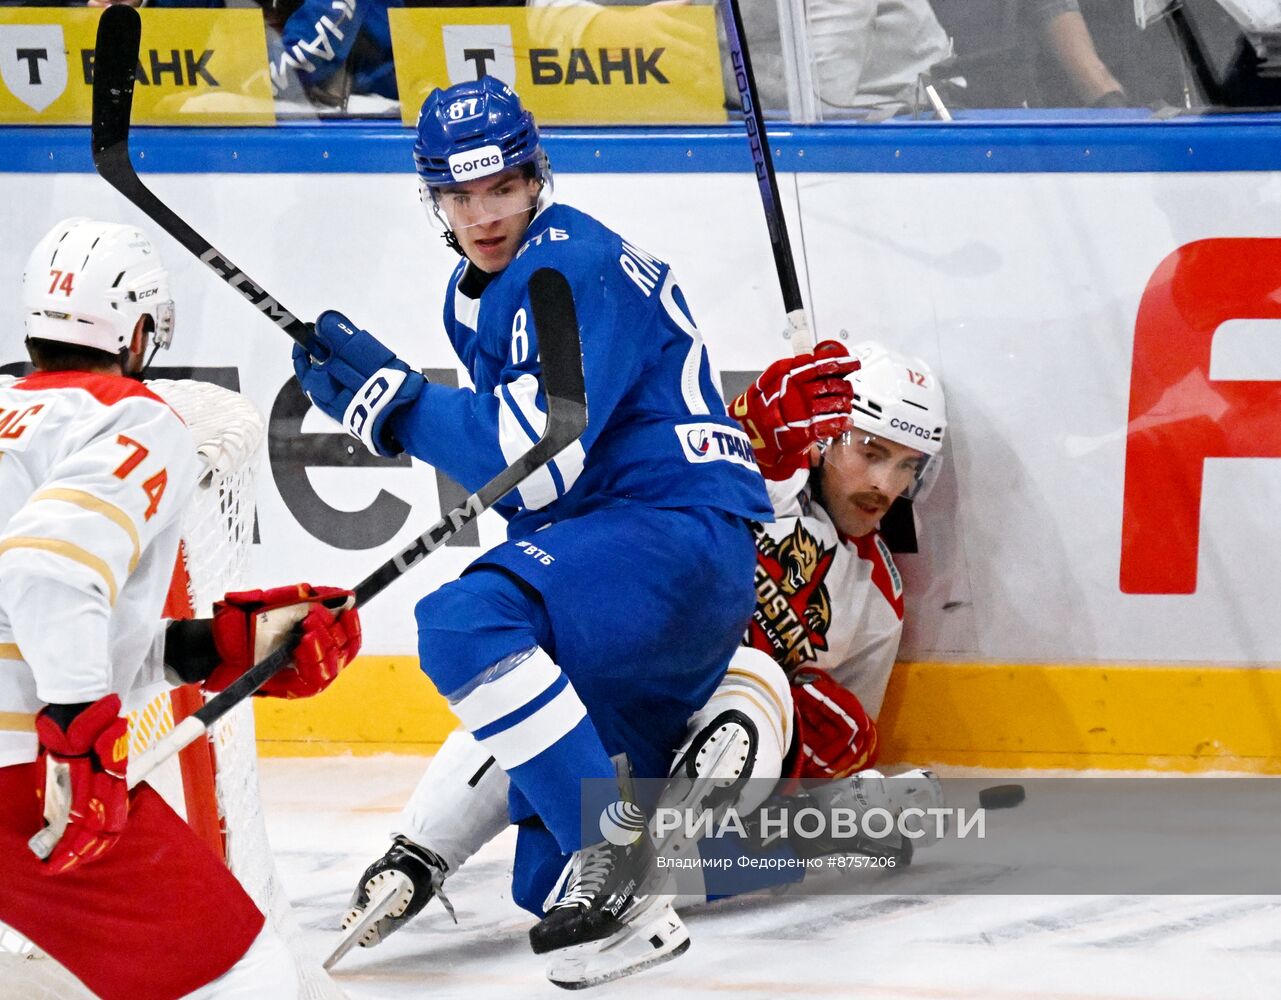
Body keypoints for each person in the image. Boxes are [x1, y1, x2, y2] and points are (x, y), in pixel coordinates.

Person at [291, 77, 773, 986]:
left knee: (465, 622)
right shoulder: (480, 291)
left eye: (501, 189)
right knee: (546, 888)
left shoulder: (565, 262)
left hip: (673, 539)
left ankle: (620, 844)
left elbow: (539, 459)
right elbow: (535, 490)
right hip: (630, 561)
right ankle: (710, 840)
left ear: (532, 176)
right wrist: (399, 401)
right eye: (460, 195)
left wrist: (400, 411)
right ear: (432, 195)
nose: (483, 214)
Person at [338, 338, 950, 958]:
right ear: (826, 438)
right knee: (540, 704)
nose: (886, 484)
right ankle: (420, 851)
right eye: (872, 452)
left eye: (908, 465)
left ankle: (699, 852)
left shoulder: (878, 597)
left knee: (757, 682)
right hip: (638, 678)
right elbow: (691, 460)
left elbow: (839, 735)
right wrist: (756, 427)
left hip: (708, 733)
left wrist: (821, 755)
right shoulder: (766, 480)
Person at [0, 217, 364, 1000]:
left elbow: (37, 613)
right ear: (138, 334)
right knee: (237, 970)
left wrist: (210, 648)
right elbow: (41, 570)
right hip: (18, 780)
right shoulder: (127, 417)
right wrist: (78, 730)